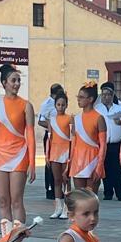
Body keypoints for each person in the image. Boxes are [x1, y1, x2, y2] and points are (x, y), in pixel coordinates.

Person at [0, 63, 34, 242]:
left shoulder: (26, 105)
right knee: (3, 200)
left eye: (18, 81)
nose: (16, 84)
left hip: (19, 155)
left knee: (16, 200)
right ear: (4, 83)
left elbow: (30, 134)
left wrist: (32, 162)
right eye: (13, 80)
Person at [70, 83, 106, 195]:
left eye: (81, 97)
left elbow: (103, 144)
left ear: (90, 99)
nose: (78, 100)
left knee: (91, 199)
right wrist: (69, 163)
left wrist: (99, 165)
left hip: (93, 160)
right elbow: (74, 142)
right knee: (79, 199)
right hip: (78, 161)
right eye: (78, 97)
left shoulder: (99, 118)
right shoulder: (76, 118)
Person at [42, 90, 73, 219]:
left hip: (66, 152)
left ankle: (67, 207)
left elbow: (72, 137)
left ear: (66, 105)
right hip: (54, 152)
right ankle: (58, 207)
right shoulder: (51, 120)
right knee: (56, 180)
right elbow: (49, 138)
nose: (61, 107)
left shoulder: (70, 118)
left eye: (63, 104)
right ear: (55, 105)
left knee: (66, 180)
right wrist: (47, 155)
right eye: (58, 104)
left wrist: (71, 154)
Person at [99, 82, 121, 202]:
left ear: (112, 95)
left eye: (108, 94)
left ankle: (120, 192)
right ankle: (108, 192)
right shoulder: (97, 109)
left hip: (117, 144)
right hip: (104, 144)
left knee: (118, 169)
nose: (105, 97)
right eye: (103, 95)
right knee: (106, 168)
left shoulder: (120, 108)